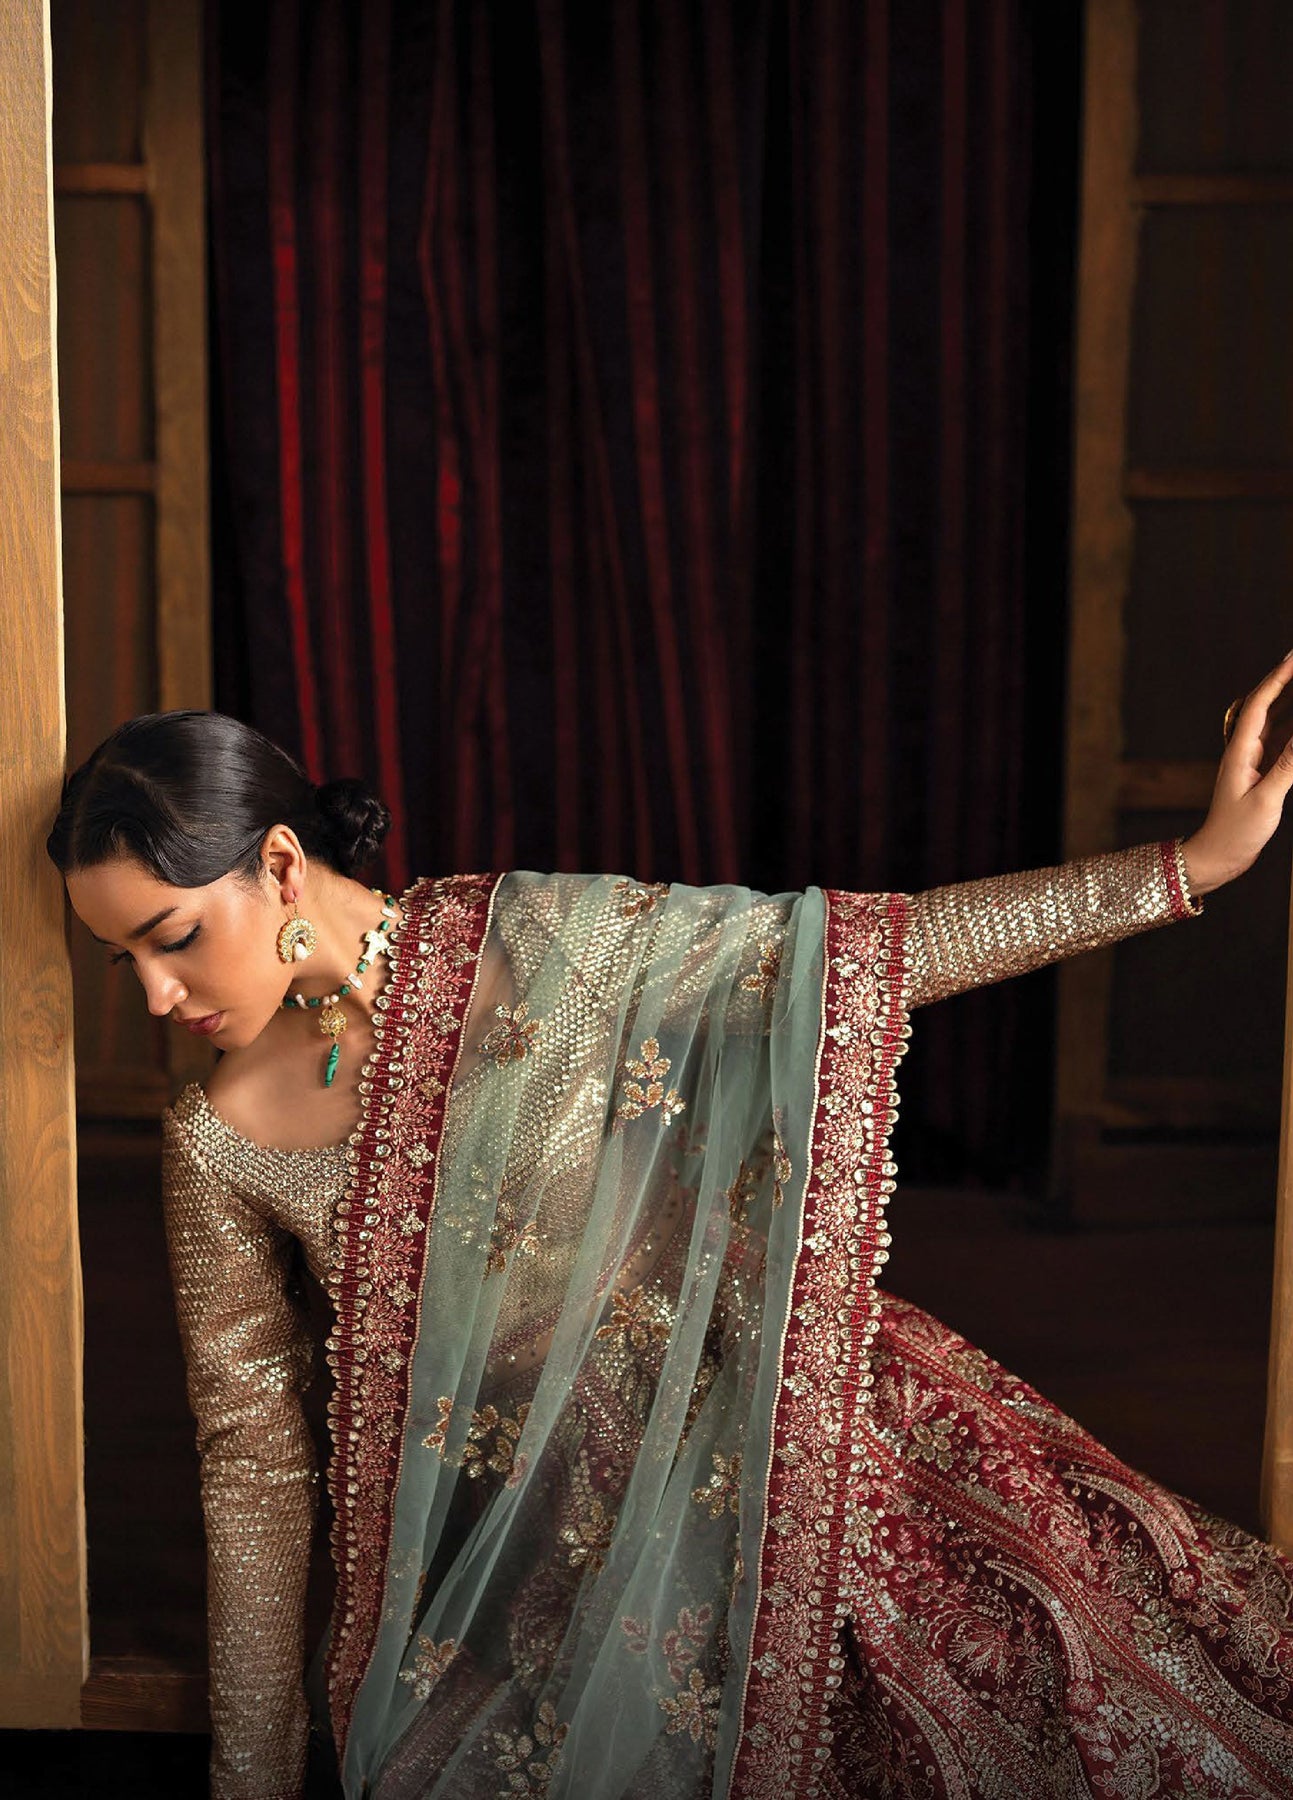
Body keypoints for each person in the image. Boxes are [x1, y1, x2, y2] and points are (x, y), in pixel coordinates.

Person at [48, 662, 1293, 1800]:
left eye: (172, 939)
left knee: (1056, 1683)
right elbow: (255, 1468)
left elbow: (869, 952)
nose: (157, 995)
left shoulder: (546, 943)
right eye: (122, 963)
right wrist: (252, 1783)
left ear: (278, 866)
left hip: (785, 1440)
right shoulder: (221, 1139)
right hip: (530, 1573)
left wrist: (1189, 868)